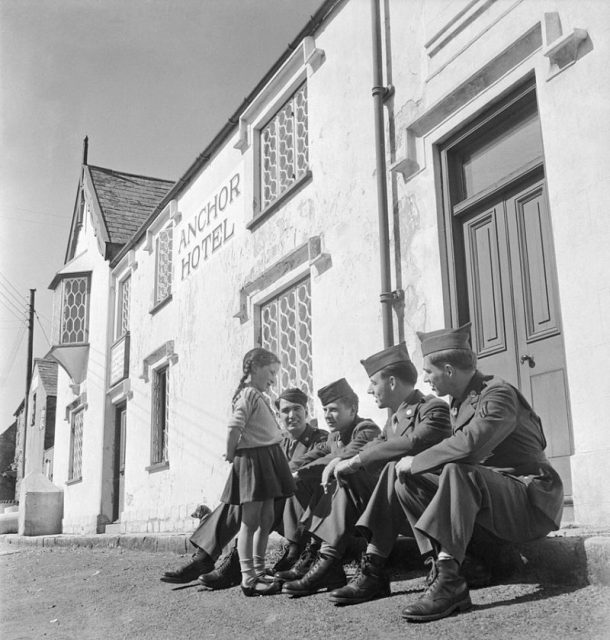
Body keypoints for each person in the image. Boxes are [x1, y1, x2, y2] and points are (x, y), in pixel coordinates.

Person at [360, 323, 564, 622]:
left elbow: (470, 446)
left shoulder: (498, 394)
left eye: (429, 372)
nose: (425, 379)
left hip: (529, 501)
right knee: (403, 478)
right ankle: (422, 564)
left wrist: (417, 460)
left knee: (457, 470)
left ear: (449, 370)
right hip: (493, 500)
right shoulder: (459, 401)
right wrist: (410, 467)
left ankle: (450, 582)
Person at [289, 342, 452, 605]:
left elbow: (411, 443)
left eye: (373, 382)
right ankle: (336, 560)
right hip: (406, 507)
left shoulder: (433, 408)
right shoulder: (393, 421)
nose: (368, 390)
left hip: (436, 508)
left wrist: (356, 460)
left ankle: (366, 568)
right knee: (349, 475)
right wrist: (347, 461)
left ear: (390, 382)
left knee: (380, 470)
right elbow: (377, 445)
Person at [160, 387, 327, 589]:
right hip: (275, 510)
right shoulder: (275, 441)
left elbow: (315, 465)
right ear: (279, 416)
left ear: (306, 410)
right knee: (241, 497)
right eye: (285, 411)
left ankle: (234, 568)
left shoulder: (320, 438)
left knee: (269, 493)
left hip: (302, 517)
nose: (291, 415)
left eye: (297, 409)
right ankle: (204, 557)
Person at [281, 378, 381, 597]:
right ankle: (322, 560)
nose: (327, 415)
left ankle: (325, 558)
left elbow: (341, 457)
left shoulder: (366, 429)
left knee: (338, 475)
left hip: (372, 507)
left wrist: (302, 472)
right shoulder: (334, 436)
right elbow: (314, 456)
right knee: (310, 479)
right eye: (325, 409)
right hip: (349, 509)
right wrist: (286, 472)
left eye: (334, 410)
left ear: (353, 409)